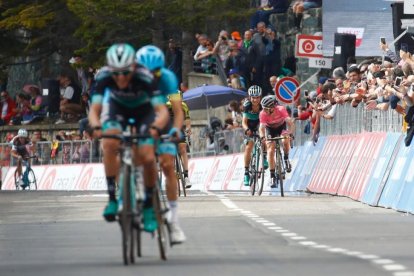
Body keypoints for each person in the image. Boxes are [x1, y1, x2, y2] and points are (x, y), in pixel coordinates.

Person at [89, 43, 169, 233]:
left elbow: (162, 111)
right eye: (116, 73)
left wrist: (157, 128)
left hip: (144, 111)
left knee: (148, 156)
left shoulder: (145, 76)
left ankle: (149, 206)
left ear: (133, 67)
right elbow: (95, 110)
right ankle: (112, 199)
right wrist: (96, 126)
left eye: (125, 72)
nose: (121, 77)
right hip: (117, 109)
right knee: (108, 143)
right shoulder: (103, 76)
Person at [136, 45, 187, 243]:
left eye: (155, 71)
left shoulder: (167, 78)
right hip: (142, 119)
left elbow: (178, 110)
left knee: (167, 165)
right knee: (147, 162)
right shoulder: (132, 80)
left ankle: (173, 220)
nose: (151, 75)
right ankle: (146, 200)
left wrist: (175, 129)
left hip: (163, 120)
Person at [259, 95, 293, 188]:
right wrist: (262, 137)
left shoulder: (281, 109)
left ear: (272, 108)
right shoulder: (262, 113)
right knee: (270, 150)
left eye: (266, 109)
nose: (264, 111)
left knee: (285, 139)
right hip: (270, 129)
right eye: (263, 109)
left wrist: (290, 133)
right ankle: (272, 176)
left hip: (281, 127)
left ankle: (286, 158)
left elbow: (290, 122)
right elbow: (261, 128)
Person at [242, 85, 267, 186]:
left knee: (263, 137)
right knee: (249, 147)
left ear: (260, 97)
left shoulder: (263, 104)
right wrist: (247, 129)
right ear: (250, 97)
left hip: (260, 123)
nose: (255, 100)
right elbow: (244, 122)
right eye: (253, 97)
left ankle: (264, 157)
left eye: (257, 97)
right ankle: (246, 173)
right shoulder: (247, 105)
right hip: (250, 125)